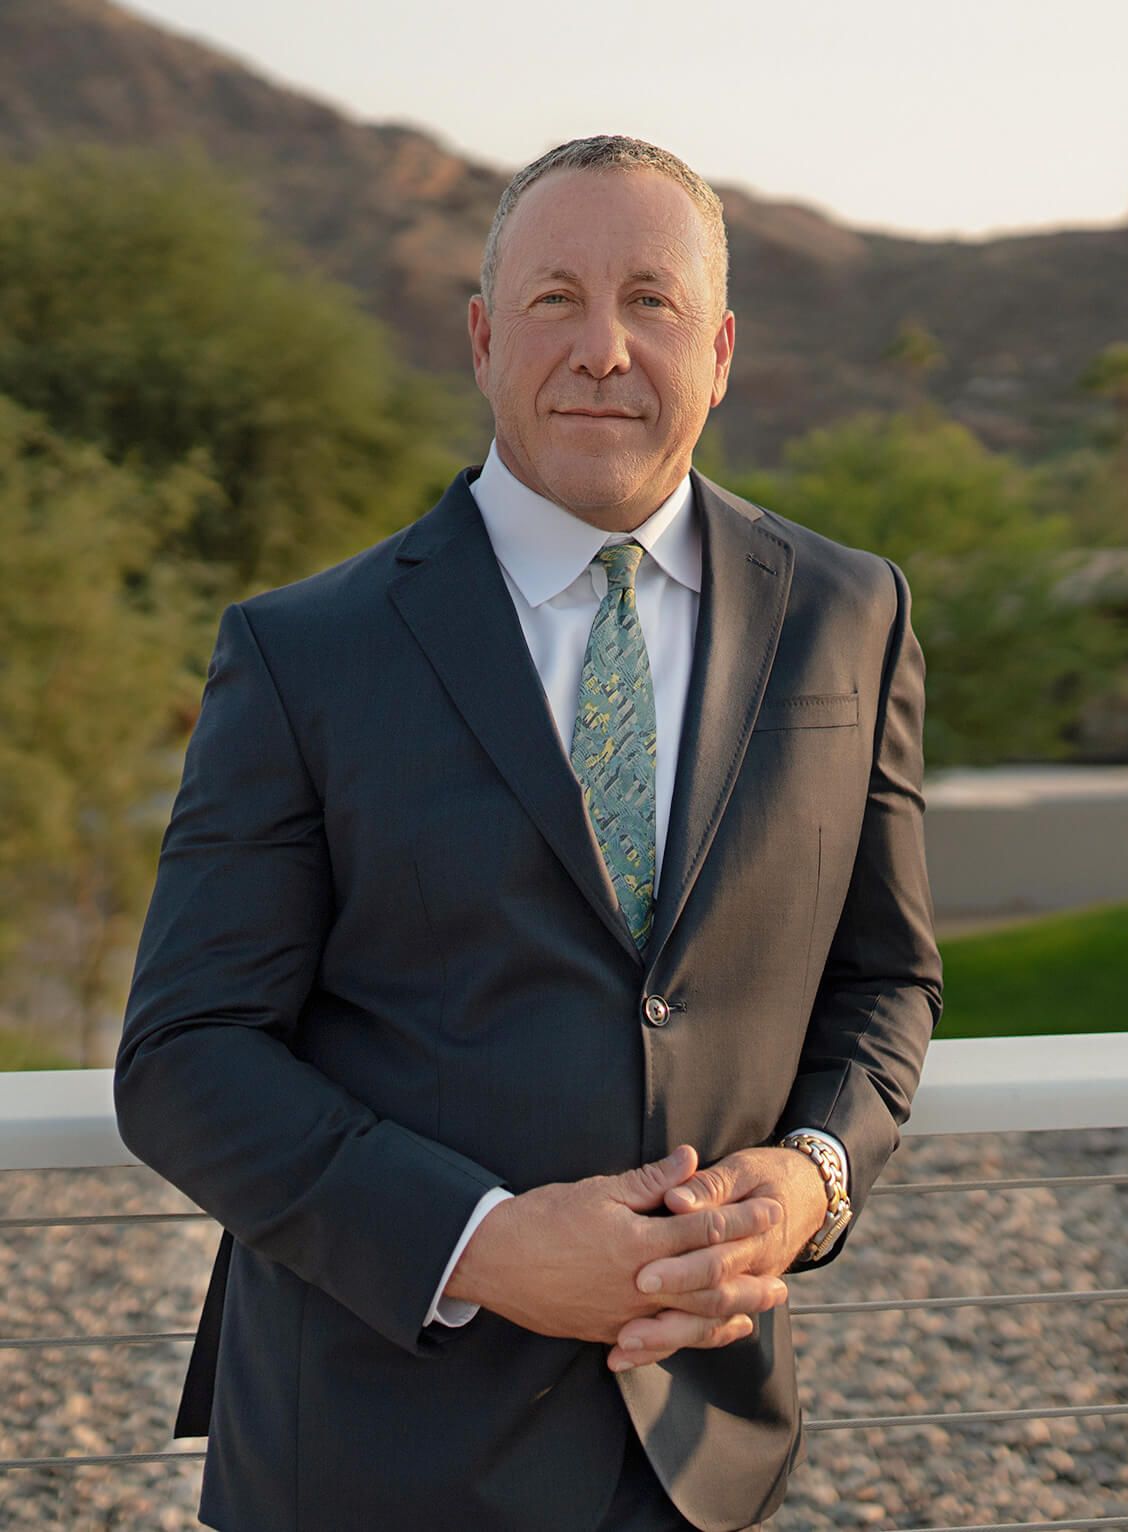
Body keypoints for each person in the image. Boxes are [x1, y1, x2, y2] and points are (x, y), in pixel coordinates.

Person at [114, 135, 943, 1532]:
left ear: (720, 351)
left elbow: (888, 981)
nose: (602, 348)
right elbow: (187, 1057)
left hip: (701, 1450)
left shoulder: (849, 617)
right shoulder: (304, 652)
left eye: (650, 301)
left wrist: (815, 1178)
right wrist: (486, 1245)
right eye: (556, 299)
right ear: (485, 340)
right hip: (368, 1452)